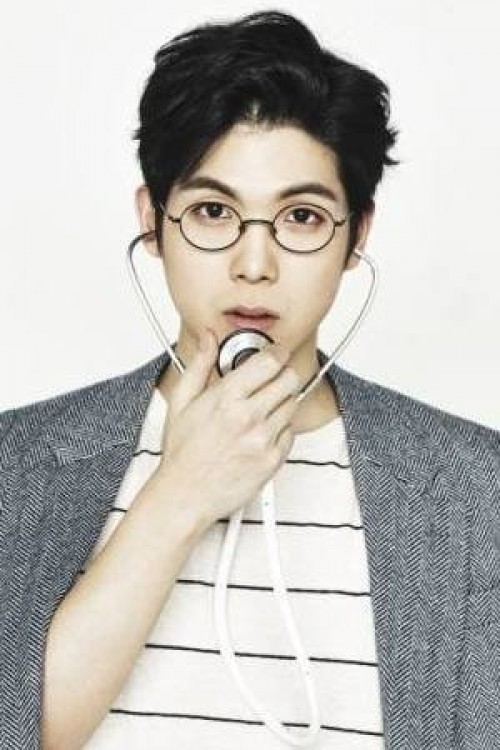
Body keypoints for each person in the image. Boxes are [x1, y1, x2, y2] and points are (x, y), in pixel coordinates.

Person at [0, 8, 498, 750]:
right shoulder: (15, 466)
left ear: (356, 235)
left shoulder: (476, 491)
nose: (254, 265)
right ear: (152, 222)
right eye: (212, 211)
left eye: (301, 217)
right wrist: (180, 495)